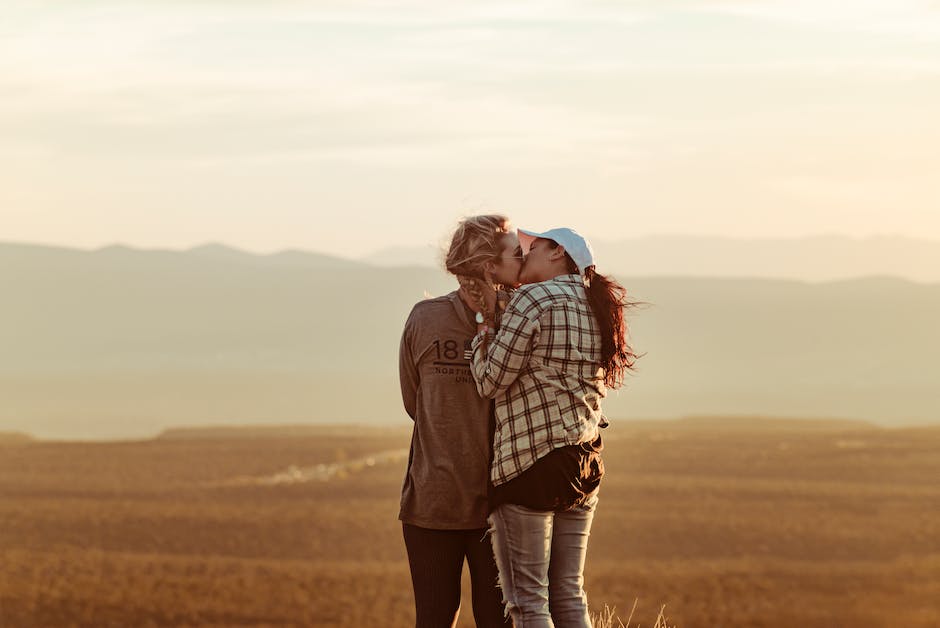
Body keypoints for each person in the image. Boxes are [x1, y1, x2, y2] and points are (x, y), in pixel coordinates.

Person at [468, 227, 639, 627]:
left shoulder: (534, 298)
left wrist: (481, 336)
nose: (524, 256)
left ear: (558, 252)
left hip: (531, 462)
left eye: (533, 248)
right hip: (585, 460)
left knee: (528, 601)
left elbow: (491, 381)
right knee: (568, 593)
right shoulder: (598, 305)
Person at [398, 214, 523, 628]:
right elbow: (415, 403)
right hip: (432, 506)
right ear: (489, 264)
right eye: (514, 252)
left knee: (498, 622)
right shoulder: (425, 318)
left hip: (501, 509)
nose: (522, 259)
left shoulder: (521, 321)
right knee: (433, 619)